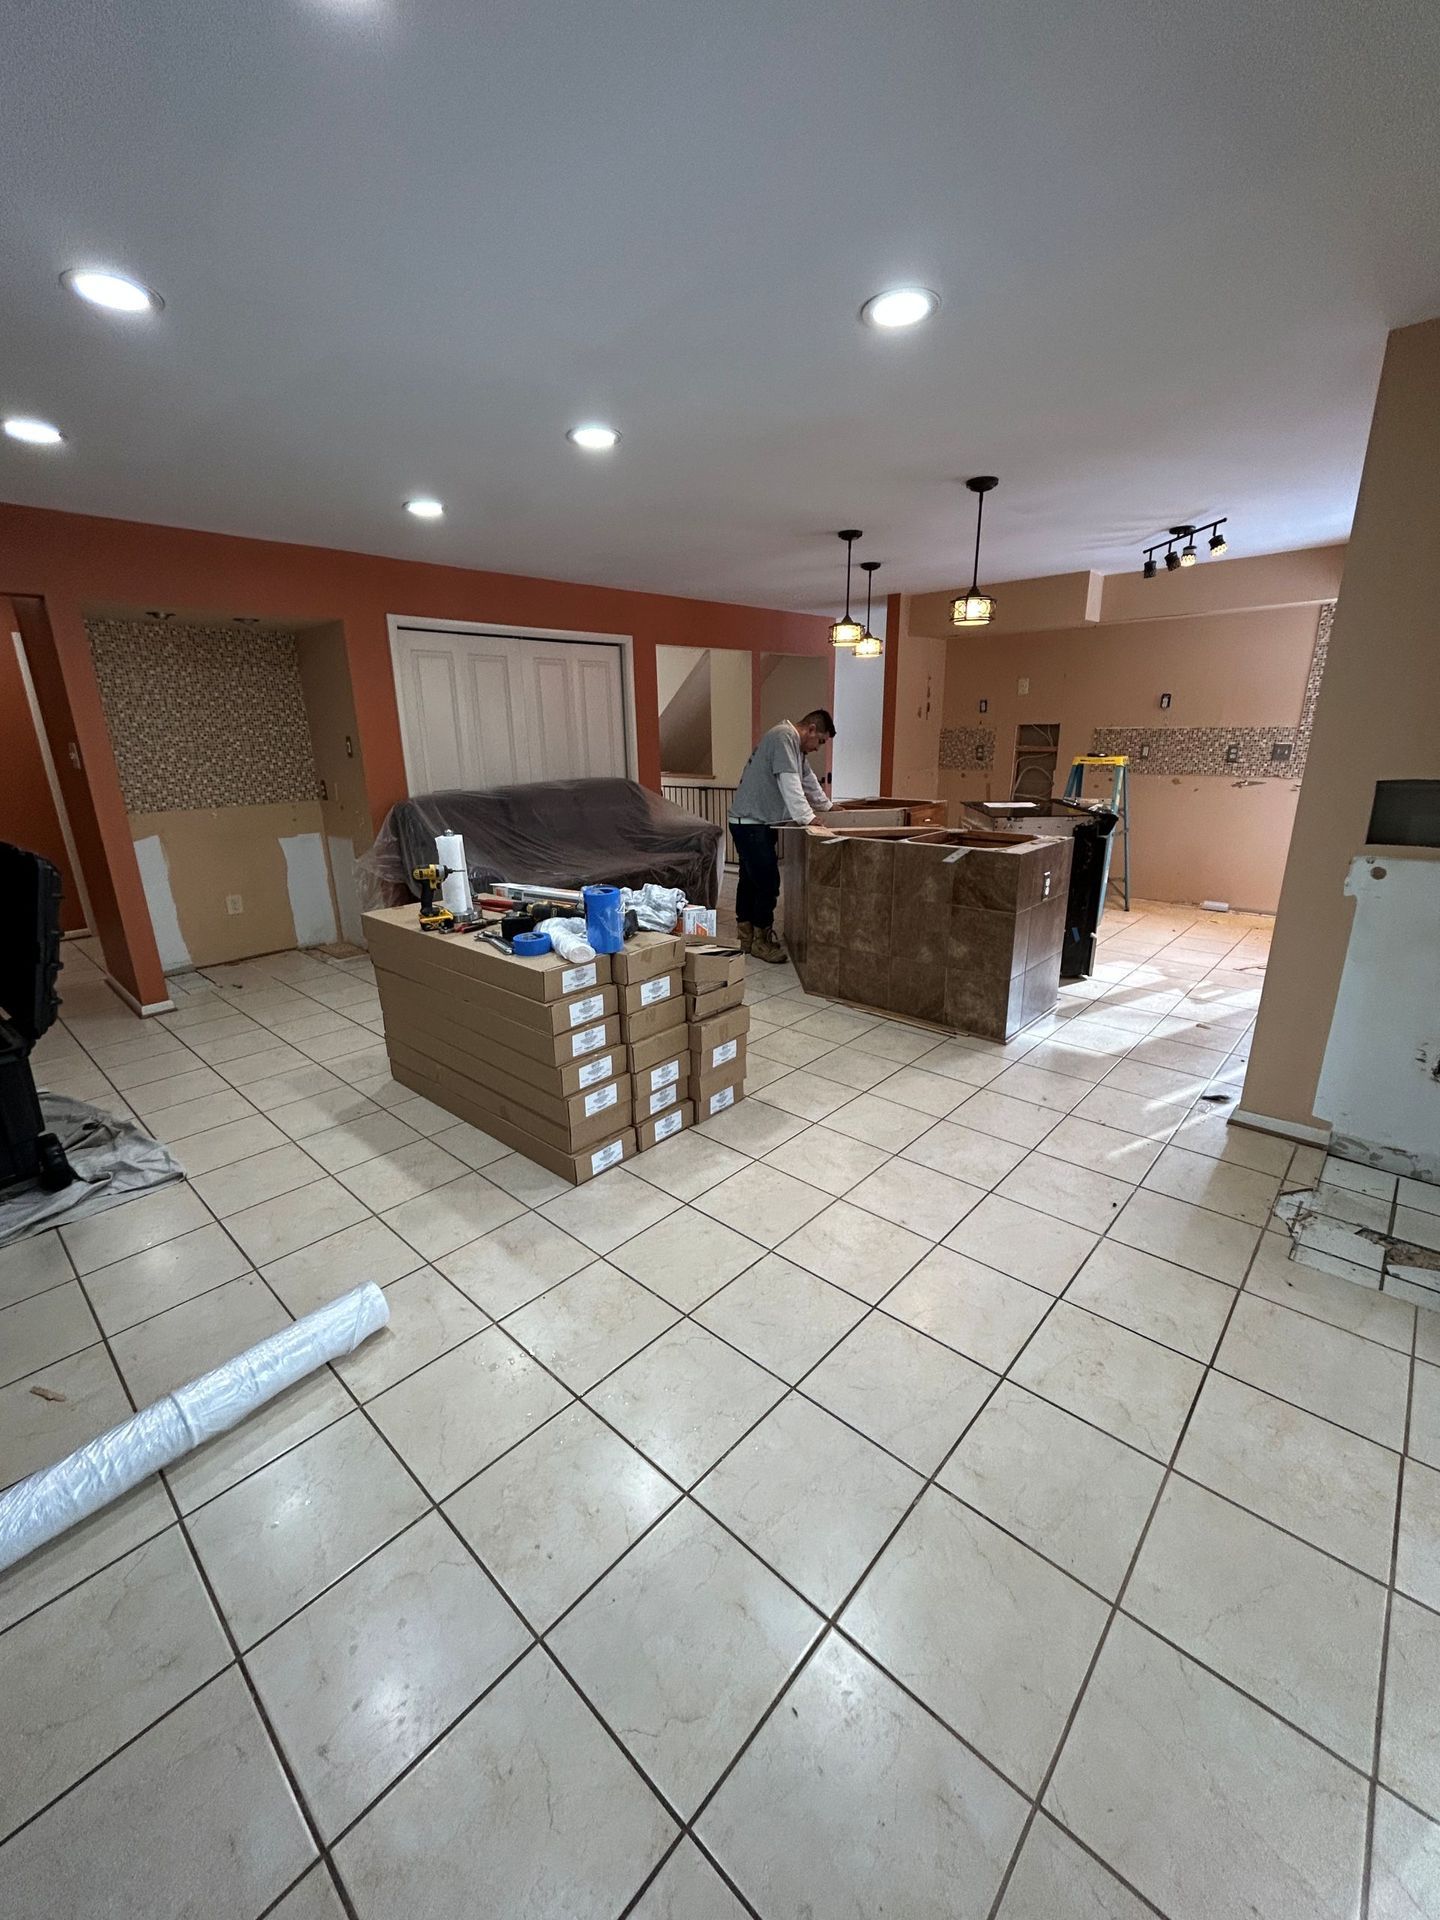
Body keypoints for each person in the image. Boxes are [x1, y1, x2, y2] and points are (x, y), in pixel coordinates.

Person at [727, 708, 836, 963]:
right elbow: (790, 784)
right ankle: (761, 941)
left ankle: (746, 938)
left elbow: (807, 780)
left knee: (750, 881)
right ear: (810, 729)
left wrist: (828, 807)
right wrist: (808, 818)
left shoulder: (794, 747)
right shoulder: (783, 736)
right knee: (768, 882)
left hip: (753, 822)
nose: (819, 747)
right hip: (750, 823)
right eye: (820, 740)